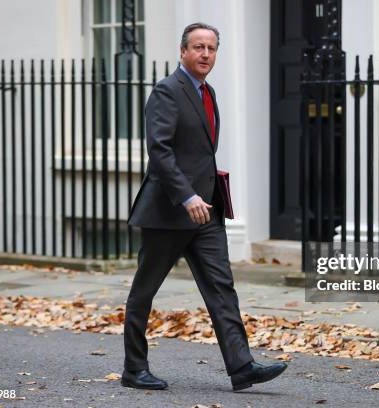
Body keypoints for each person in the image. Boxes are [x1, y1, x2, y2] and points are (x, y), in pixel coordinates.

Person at [122, 22, 287, 392]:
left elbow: (199, 152)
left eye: (211, 48)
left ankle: (241, 366)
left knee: (221, 287)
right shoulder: (167, 91)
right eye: (198, 47)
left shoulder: (208, 92)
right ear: (183, 51)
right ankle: (134, 369)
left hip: (205, 213)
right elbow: (160, 151)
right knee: (144, 291)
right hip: (168, 213)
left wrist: (206, 195)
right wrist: (186, 195)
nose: (205, 55)